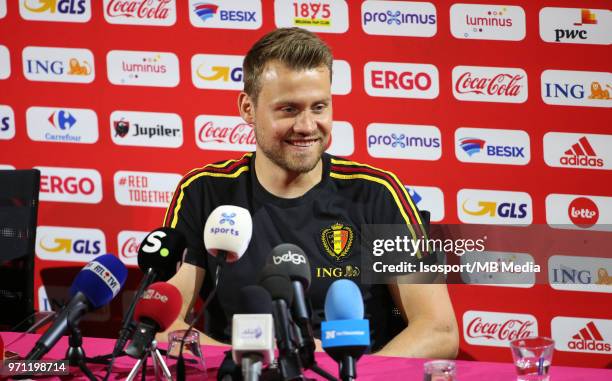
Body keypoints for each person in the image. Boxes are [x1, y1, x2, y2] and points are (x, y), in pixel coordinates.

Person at [160, 27, 458, 358]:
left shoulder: (378, 193)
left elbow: (438, 329)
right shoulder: (203, 191)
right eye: (288, 109)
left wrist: (347, 373)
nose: (306, 126)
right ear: (247, 108)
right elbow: (163, 324)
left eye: (319, 107)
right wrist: (248, 361)